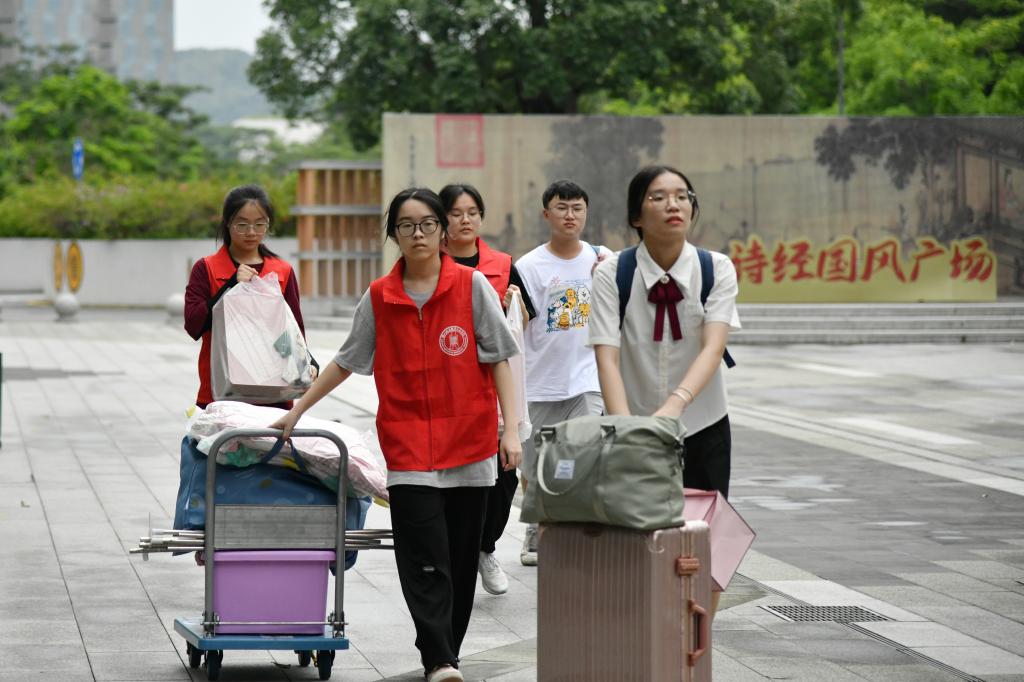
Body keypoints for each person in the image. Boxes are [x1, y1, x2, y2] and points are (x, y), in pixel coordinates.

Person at [270, 188, 523, 682]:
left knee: (459, 562)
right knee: (423, 558)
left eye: (427, 224)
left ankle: (444, 651)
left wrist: (510, 430)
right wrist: (297, 411)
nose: (418, 234)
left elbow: (499, 359)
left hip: (471, 446)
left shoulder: (472, 287)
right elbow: (346, 361)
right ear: (394, 235)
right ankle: (440, 660)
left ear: (442, 230)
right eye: (406, 226)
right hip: (408, 450)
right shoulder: (380, 297)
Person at [588, 165, 741, 614]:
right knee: (633, 535)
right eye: (658, 197)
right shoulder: (612, 274)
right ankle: (640, 629)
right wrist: (627, 431)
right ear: (636, 215)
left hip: (703, 424)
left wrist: (675, 406)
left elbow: (713, 348)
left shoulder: (716, 268)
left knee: (706, 537)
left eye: (682, 195)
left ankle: (698, 635)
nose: (673, 204)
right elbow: (606, 356)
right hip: (633, 426)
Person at [439, 182, 536, 597]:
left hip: (497, 388)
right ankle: (455, 552)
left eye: (473, 213)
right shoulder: (430, 264)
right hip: (449, 386)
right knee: (457, 478)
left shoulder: (502, 264)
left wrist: (518, 307)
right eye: (456, 213)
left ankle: (484, 547)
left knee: (504, 478)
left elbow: (524, 324)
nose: (466, 220)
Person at [515, 179, 610, 566]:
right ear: (546, 214)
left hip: (587, 380)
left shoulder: (603, 259)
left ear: (586, 213)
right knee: (534, 465)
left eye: (577, 208)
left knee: (584, 457)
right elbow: (519, 324)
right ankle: (536, 526)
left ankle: (574, 532)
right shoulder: (528, 266)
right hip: (540, 382)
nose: (570, 215)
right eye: (561, 207)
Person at [184, 184, 317, 409]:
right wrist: (231, 285)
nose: (251, 232)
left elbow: (293, 331)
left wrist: (309, 363)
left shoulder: (282, 271)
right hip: (220, 395)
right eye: (242, 224)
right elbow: (194, 325)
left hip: (275, 394)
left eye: (260, 224)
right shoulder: (206, 268)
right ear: (227, 223)